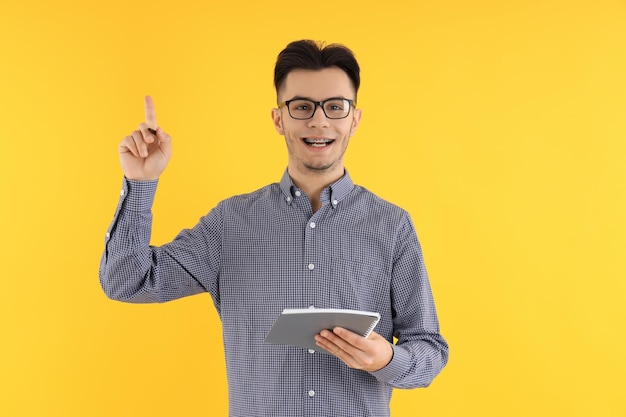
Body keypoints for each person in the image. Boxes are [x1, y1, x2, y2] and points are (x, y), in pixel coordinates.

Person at [99, 39, 449, 417]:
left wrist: (388, 359)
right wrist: (140, 182)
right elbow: (127, 281)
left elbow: (429, 349)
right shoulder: (230, 224)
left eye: (335, 107)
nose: (319, 121)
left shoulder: (391, 226)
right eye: (301, 107)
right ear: (278, 119)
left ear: (354, 119)